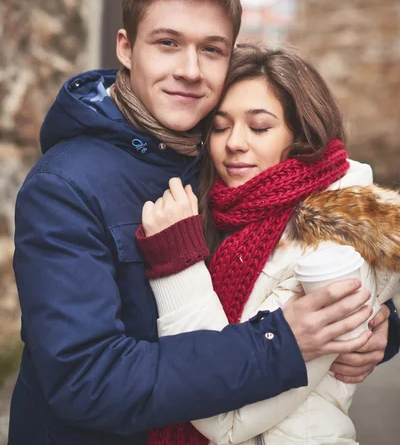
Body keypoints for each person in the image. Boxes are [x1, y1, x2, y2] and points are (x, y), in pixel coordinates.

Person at [9, 0, 396, 445]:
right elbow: (87, 380)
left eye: (211, 50)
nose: (190, 70)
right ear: (126, 48)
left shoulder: (220, 158)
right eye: (168, 43)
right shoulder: (64, 187)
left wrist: (375, 328)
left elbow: (283, 263)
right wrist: (279, 345)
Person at [136, 43, 400, 445]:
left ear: (301, 134)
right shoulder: (224, 211)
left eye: (259, 127)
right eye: (221, 126)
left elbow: (222, 417)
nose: (234, 143)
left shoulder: (336, 237)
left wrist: (178, 266)